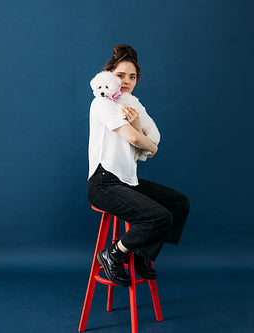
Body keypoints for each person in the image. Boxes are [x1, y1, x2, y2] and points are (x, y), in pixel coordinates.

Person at [87, 44, 190, 287]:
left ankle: (140, 254)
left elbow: (152, 141)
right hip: (103, 183)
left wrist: (144, 139)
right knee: (159, 218)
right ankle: (114, 253)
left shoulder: (132, 104)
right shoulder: (102, 104)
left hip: (126, 182)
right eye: (121, 75)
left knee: (178, 203)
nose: (126, 81)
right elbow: (140, 142)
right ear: (109, 73)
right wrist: (146, 143)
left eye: (132, 77)